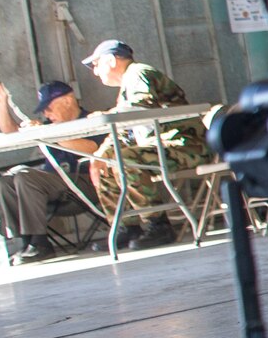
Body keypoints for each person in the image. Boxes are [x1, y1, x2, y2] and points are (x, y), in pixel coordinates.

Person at [80, 40, 209, 249]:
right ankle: (126, 227)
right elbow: (126, 131)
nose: (95, 73)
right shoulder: (128, 84)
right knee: (104, 162)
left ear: (111, 61)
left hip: (186, 145)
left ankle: (158, 225)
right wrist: (101, 154)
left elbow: (139, 109)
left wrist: (107, 115)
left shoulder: (138, 73)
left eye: (96, 65)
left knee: (127, 158)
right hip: (162, 147)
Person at [0, 79, 98, 265]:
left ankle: (40, 243)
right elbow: (11, 132)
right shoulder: (49, 126)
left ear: (68, 100)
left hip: (83, 183)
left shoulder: (91, 120)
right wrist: (1, 104)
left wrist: (48, 134)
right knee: (6, 181)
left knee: (26, 177)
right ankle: (25, 241)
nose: (46, 113)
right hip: (52, 187)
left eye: (49, 108)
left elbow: (91, 148)